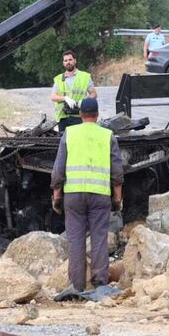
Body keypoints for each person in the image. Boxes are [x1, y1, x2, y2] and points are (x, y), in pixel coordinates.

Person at [50, 98, 124, 298]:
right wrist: (117, 199)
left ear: (80, 114)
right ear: (97, 115)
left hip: (73, 196)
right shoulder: (108, 135)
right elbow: (117, 172)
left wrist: (57, 196)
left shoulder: (69, 133)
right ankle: (100, 284)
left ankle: (77, 285)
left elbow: (58, 169)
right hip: (100, 195)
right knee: (99, 238)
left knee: (76, 239)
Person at [49, 49, 97, 131]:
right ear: (63, 63)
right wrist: (65, 98)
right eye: (66, 60)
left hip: (79, 116)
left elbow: (94, 94)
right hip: (63, 117)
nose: (68, 62)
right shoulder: (59, 78)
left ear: (75, 61)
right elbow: (53, 97)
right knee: (64, 142)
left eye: (70, 59)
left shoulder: (84, 77)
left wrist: (84, 101)